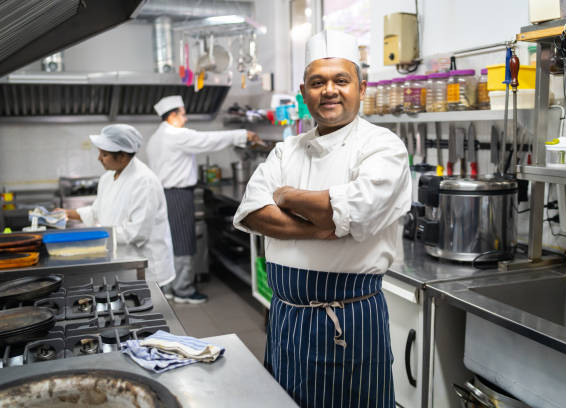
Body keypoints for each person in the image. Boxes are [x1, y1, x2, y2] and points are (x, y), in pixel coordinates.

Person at [233, 30, 412, 407]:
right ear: (303, 91)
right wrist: (321, 228)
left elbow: (356, 209)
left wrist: (287, 196)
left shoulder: (383, 146)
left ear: (362, 87)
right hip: (284, 317)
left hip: (348, 321)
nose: (329, 90)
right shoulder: (286, 151)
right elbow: (252, 213)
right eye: (318, 83)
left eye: (340, 80)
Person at [147, 95, 261, 304]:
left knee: (171, 242)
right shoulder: (175, 135)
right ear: (172, 116)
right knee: (183, 241)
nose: (186, 118)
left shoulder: (158, 136)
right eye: (183, 113)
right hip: (178, 194)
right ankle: (183, 290)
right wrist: (243, 134)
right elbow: (208, 140)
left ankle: (172, 286)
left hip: (165, 194)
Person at [61, 124, 175, 287]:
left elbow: (136, 233)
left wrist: (95, 237)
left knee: (145, 309)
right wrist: (65, 214)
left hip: (145, 267)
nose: (99, 158)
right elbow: (96, 211)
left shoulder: (144, 181)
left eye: (104, 154)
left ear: (122, 156)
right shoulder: (107, 178)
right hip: (119, 262)